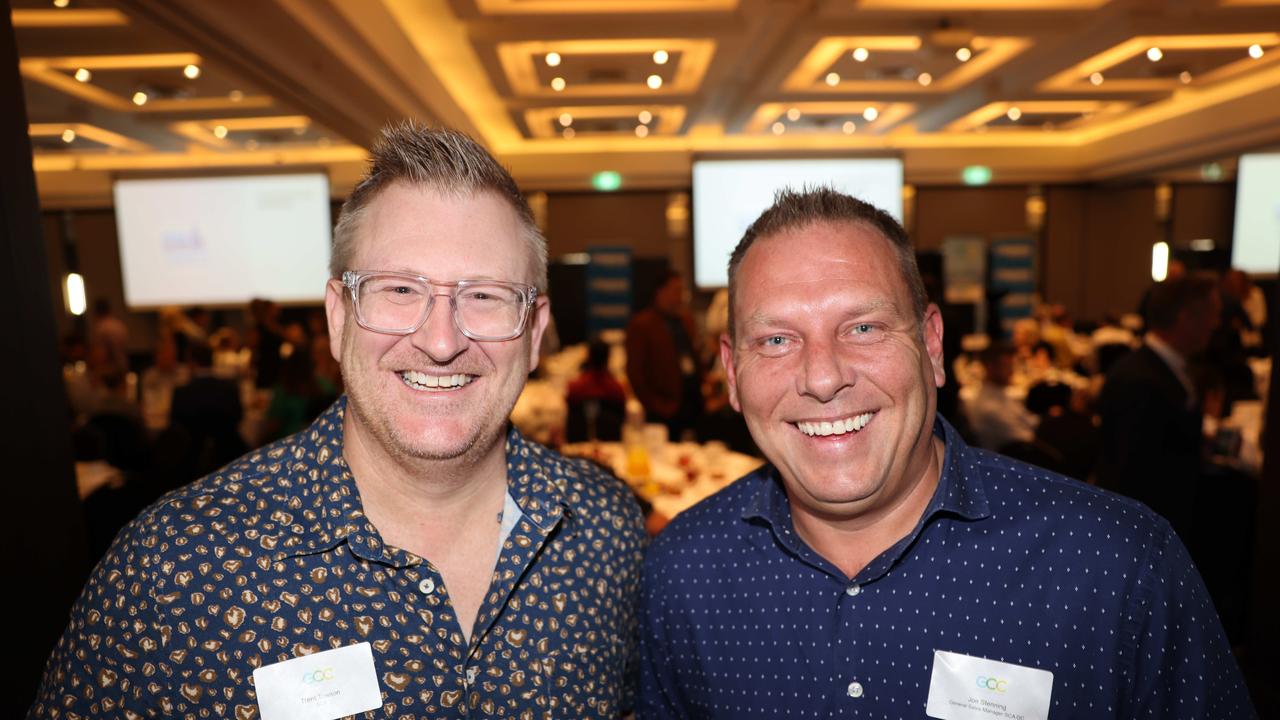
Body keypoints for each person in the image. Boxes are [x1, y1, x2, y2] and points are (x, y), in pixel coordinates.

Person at [31, 122, 647, 719]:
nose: (440, 341)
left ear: (535, 333)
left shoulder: (610, 533)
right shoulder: (174, 570)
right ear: (337, 316)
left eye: (484, 296)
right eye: (399, 290)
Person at [638, 188, 1254, 718]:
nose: (822, 378)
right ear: (731, 372)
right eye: (776, 339)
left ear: (932, 345)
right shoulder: (682, 575)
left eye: (863, 328)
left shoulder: (1116, 567)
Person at [1096, 273, 1219, 537]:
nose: (1215, 324)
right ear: (1186, 318)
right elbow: (1132, 476)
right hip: (1146, 532)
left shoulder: (1168, 368)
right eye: (1211, 314)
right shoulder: (1139, 380)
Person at [625, 270, 704, 440]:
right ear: (660, 292)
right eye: (676, 290)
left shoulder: (686, 320)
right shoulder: (642, 325)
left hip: (692, 401)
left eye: (681, 291)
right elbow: (635, 373)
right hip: (663, 408)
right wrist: (655, 405)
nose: (680, 296)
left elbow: (695, 355)